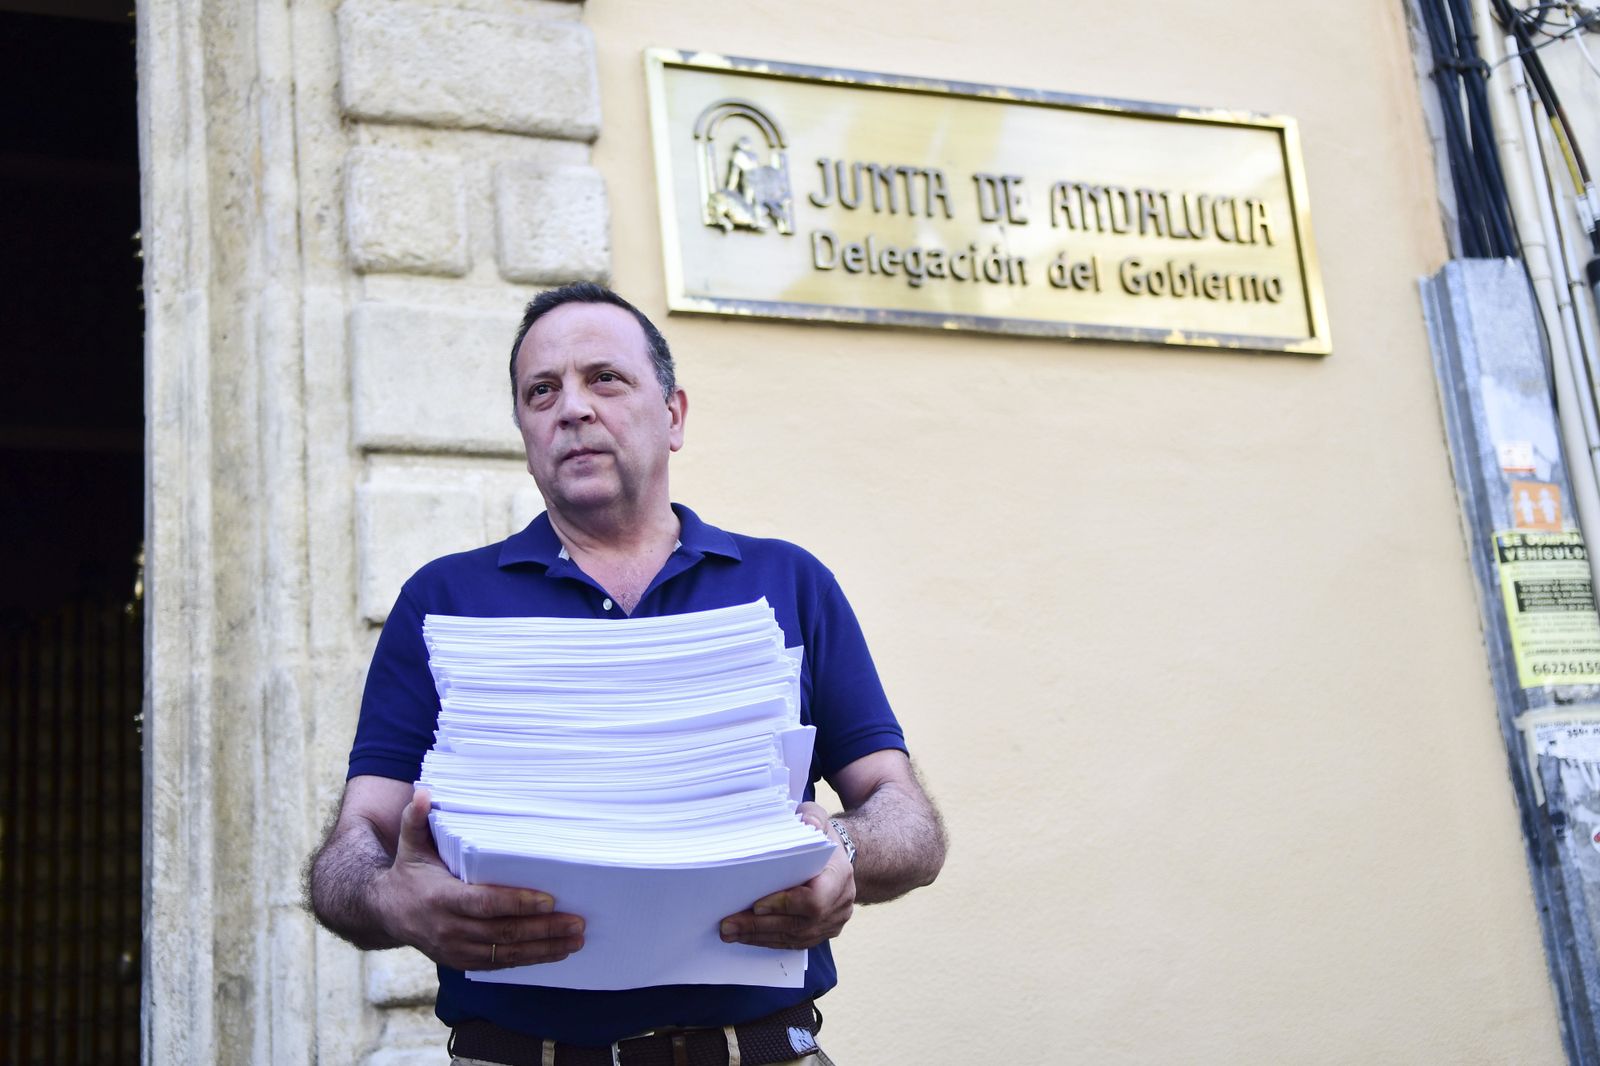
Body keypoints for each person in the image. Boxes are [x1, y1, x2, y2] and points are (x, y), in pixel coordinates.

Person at [307, 282, 947, 1066]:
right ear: (524, 430)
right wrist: (391, 899)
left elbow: (907, 818)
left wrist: (844, 847)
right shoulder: (445, 602)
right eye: (541, 391)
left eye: (603, 378)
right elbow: (352, 848)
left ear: (674, 415)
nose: (571, 407)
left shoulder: (789, 583)